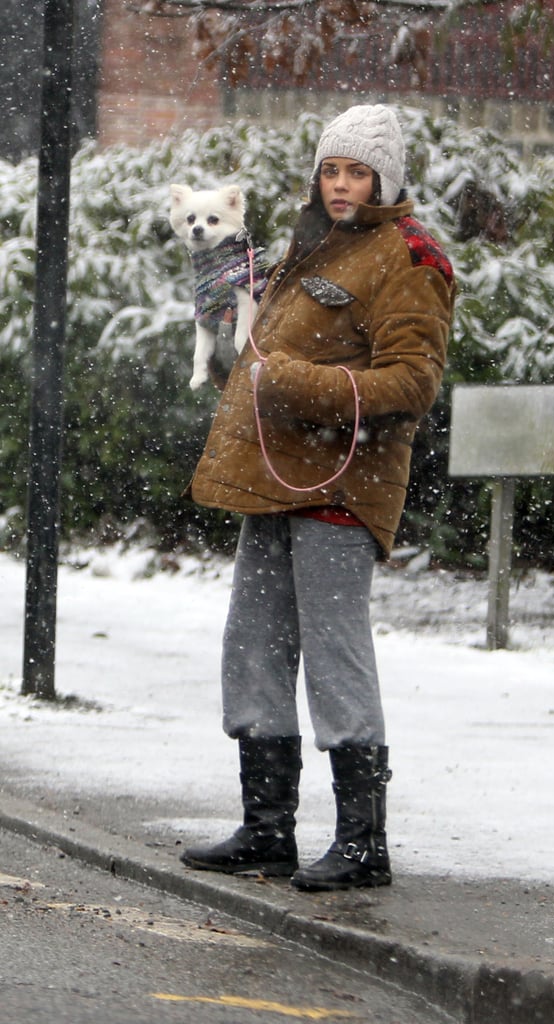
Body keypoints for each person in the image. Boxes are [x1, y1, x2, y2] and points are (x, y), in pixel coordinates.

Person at [180, 103, 455, 891]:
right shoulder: (316, 242)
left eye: (357, 172)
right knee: (253, 648)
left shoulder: (408, 257)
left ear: (385, 179)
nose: (341, 185)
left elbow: (412, 383)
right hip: (272, 483)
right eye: (331, 170)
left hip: (341, 485)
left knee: (336, 658)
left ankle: (364, 844)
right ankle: (268, 830)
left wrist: (298, 385)